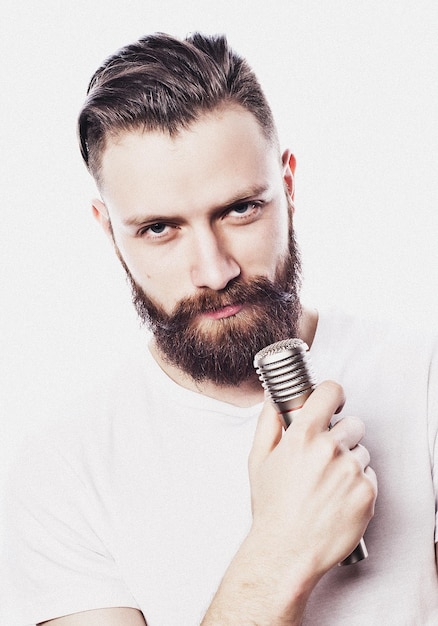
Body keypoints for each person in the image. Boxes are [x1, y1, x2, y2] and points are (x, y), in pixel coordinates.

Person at [1, 31, 437, 626]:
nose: (214, 270)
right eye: (159, 228)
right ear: (109, 230)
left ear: (286, 185)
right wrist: (280, 553)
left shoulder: (425, 381)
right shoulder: (64, 475)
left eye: (239, 209)